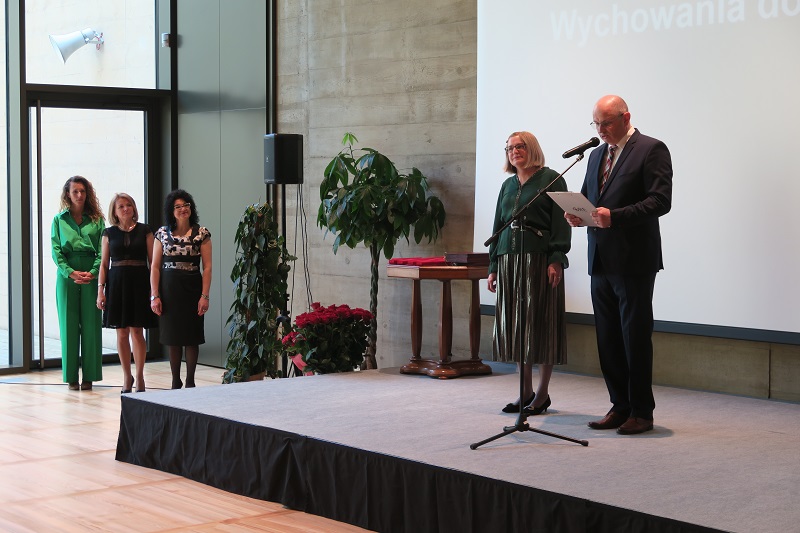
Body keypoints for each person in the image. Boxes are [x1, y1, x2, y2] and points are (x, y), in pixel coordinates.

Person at [564, 95, 672, 435]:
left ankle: (641, 411)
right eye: (596, 123)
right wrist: (577, 215)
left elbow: (660, 201)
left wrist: (616, 217)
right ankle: (619, 405)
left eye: (606, 123)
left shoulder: (651, 149)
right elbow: (590, 199)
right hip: (600, 257)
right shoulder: (597, 154)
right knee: (608, 337)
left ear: (626, 118)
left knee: (634, 337)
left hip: (634, 260)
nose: (600, 130)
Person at [488, 131, 571, 416]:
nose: (514, 151)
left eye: (520, 146)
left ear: (532, 148)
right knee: (516, 325)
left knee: (542, 323)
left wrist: (556, 259)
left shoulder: (552, 179)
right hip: (509, 261)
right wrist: (493, 266)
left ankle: (542, 393)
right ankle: (525, 391)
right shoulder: (507, 185)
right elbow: (498, 226)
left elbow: (562, 223)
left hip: (539, 261)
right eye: (509, 148)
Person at [96, 193, 158, 393]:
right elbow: (104, 264)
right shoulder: (108, 233)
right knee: (121, 332)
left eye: (128, 205)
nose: (125, 208)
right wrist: (100, 290)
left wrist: (154, 291)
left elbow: (153, 262)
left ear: (134, 207)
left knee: (137, 332)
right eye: (121, 206)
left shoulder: (145, 230)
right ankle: (126, 377)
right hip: (116, 284)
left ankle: (139, 376)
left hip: (140, 283)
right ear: (114, 212)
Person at [150, 190, 212, 389]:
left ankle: (190, 381)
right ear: (171, 211)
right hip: (169, 290)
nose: (183, 209)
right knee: (173, 337)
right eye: (177, 206)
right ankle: (175, 381)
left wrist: (204, 296)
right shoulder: (161, 233)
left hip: (193, 288)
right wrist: (154, 295)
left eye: (186, 205)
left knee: (192, 336)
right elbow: (155, 267)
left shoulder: (202, 233)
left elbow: (207, 267)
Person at [51, 176, 106, 391]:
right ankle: (71, 376)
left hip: (91, 273)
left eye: (83, 191)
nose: (79, 195)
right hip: (67, 275)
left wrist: (93, 272)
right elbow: (56, 250)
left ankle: (90, 376)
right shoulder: (59, 220)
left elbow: (103, 250)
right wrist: (70, 272)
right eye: (75, 191)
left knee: (91, 325)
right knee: (69, 324)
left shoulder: (97, 220)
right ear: (68, 194)